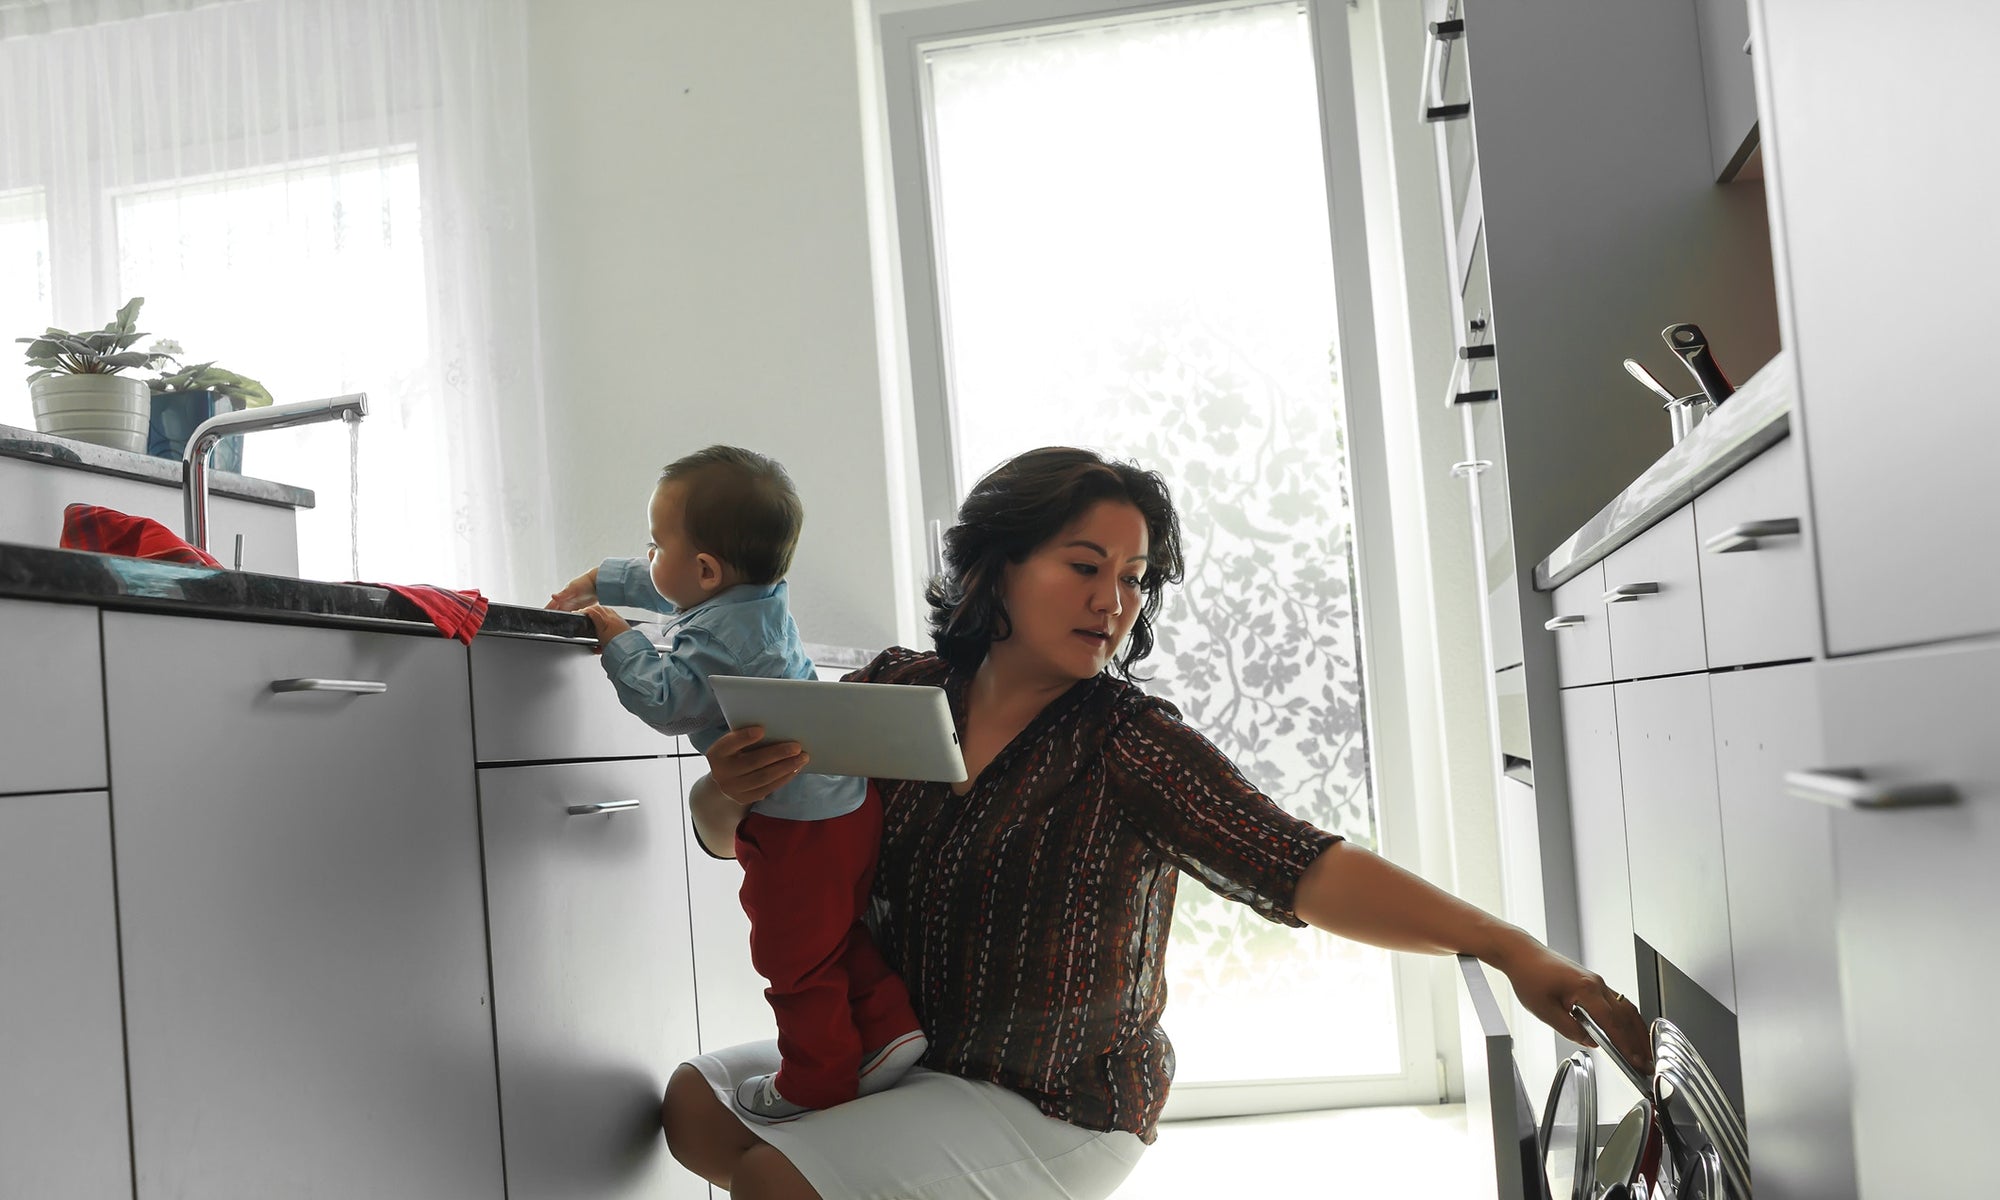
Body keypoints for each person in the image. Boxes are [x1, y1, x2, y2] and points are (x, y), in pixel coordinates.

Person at [657, 446, 1653, 1200]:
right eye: (1084, 565)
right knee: (692, 1108)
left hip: (1053, 1099)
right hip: (901, 1050)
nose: (1113, 601)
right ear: (995, 570)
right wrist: (727, 789)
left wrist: (1506, 945)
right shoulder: (894, 690)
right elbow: (728, 838)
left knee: (771, 1184)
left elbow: (1299, 865)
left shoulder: (1128, 742)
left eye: (1133, 578)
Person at [549, 444, 928, 1125]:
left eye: (653, 542)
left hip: (795, 823)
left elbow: (667, 701)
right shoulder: (753, 599)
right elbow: (674, 578)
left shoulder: (719, 633)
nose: (650, 555)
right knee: (832, 933)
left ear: (705, 568)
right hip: (846, 805)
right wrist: (603, 579)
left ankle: (818, 1079)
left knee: (790, 953)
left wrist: (617, 641)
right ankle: (889, 1025)